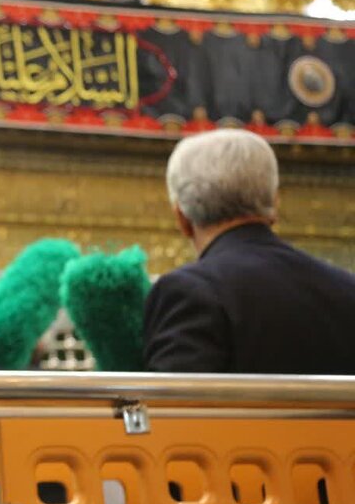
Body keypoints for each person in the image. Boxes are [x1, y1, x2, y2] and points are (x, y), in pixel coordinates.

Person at [142, 129, 355, 373]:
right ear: (275, 203)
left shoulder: (188, 292)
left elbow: (174, 409)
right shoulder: (347, 290)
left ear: (182, 218)